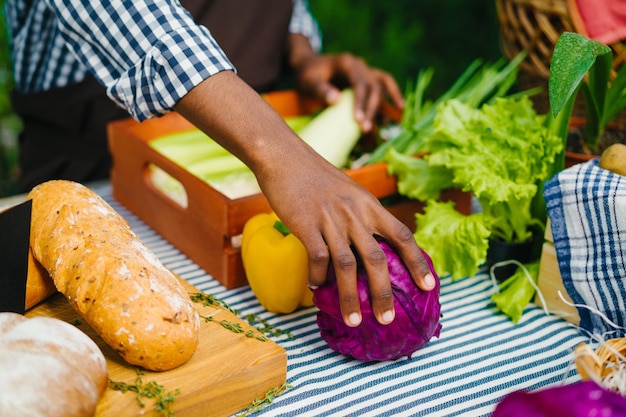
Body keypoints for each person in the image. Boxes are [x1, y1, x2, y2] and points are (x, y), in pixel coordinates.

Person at [5, 0, 436, 327]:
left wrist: (301, 52)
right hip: (90, 164)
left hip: (253, 129)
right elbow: (142, 24)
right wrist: (283, 156)